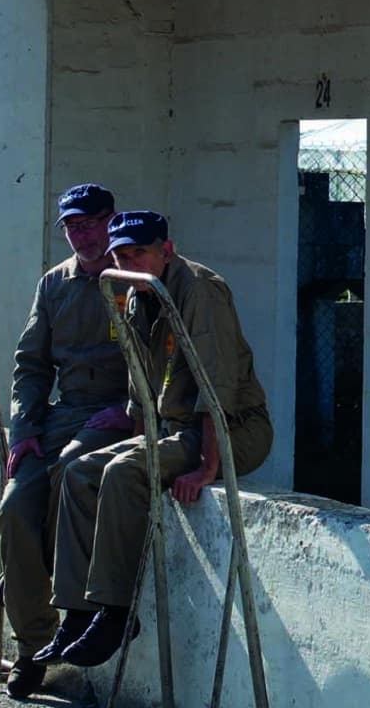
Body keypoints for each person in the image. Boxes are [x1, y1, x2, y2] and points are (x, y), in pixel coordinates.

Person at [36, 210, 273, 672]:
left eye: (138, 253)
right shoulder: (133, 293)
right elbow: (140, 388)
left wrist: (207, 465)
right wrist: (139, 441)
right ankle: (76, 610)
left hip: (232, 429)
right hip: (173, 428)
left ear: (166, 250)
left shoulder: (198, 290)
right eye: (120, 256)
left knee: (124, 473)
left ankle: (116, 612)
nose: (128, 263)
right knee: (79, 471)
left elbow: (215, 386)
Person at [0, 182, 133, 700]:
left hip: (119, 412)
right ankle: (32, 645)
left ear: (111, 221)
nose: (82, 235)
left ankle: (52, 599)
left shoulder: (133, 278)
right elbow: (30, 365)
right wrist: (23, 430)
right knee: (15, 506)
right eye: (73, 226)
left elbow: (165, 360)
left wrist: (135, 411)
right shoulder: (55, 283)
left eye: (91, 223)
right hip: (64, 411)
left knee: (70, 471)